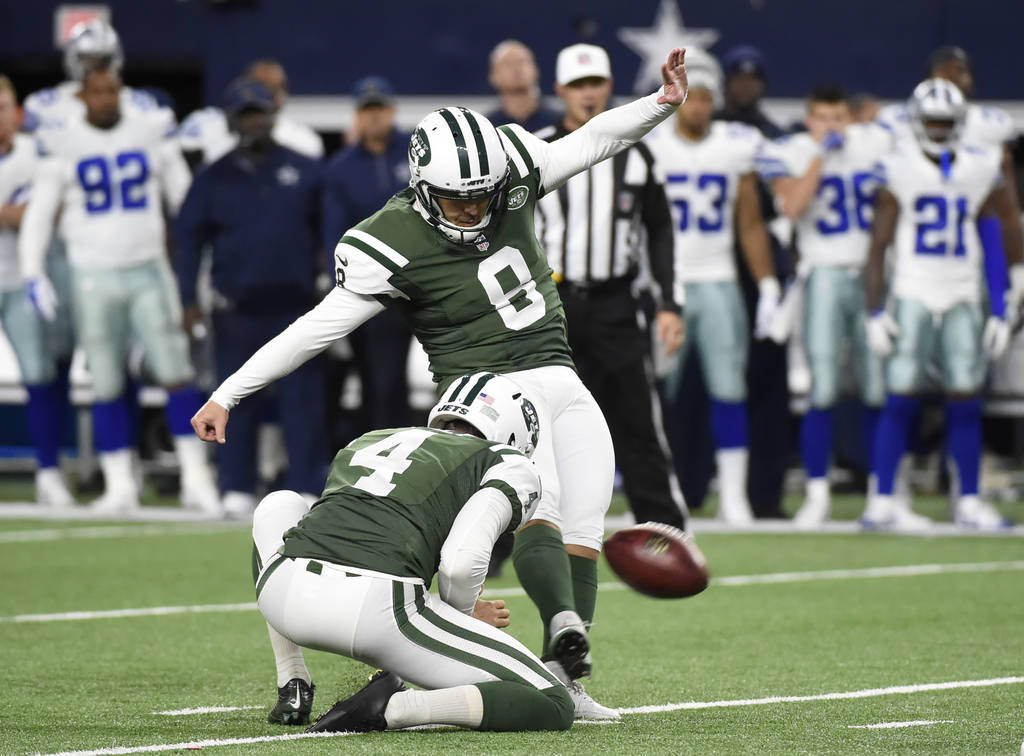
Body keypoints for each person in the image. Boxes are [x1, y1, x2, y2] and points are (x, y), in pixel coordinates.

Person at [192, 47, 691, 721]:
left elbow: (594, 140)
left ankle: (567, 677)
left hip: (556, 367)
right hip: (482, 388)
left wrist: (660, 103)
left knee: (585, 522)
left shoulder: (511, 171)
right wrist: (230, 391)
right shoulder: (390, 239)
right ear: (424, 185)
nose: (473, 209)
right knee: (536, 500)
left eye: (483, 195)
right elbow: (316, 329)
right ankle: (456, 657)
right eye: (458, 198)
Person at [253, 374, 577, 734]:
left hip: (280, 593)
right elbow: (461, 563)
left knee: (280, 503)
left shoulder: (371, 439)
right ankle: (396, 708)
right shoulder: (506, 460)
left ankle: (292, 679)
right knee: (554, 702)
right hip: (374, 609)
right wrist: (461, 623)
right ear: (515, 436)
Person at [18, 66, 218, 513]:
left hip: (149, 269)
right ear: (83, 97)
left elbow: (184, 203)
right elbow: (40, 213)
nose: (107, 99)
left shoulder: (149, 130)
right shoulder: (63, 140)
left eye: (113, 91)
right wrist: (33, 272)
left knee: (176, 371)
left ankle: (196, 478)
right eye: (98, 92)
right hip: (92, 275)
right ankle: (119, 484)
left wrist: (196, 267)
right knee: (106, 380)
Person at [535, 43, 687, 530]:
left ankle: (663, 533)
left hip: (616, 303)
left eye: (595, 83)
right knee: (534, 427)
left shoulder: (637, 155)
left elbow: (660, 230)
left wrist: (669, 302)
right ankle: (500, 543)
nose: (587, 93)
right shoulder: (536, 150)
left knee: (637, 423)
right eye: (577, 84)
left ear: (608, 86)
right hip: (551, 308)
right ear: (559, 90)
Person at [862, 79, 1023, 531]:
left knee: (966, 399)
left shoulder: (980, 166)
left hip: (962, 293)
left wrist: (1002, 304)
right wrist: (874, 310)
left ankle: (968, 500)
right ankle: (882, 500)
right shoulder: (899, 167)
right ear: (916, 121)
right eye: (932, 121)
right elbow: (878, 244)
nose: (938, 129)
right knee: (899, 398)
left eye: (945, 122)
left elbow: (996, 235)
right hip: (912, 291)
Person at [176, 78, 327, 519]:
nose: (253, 123)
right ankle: (236, 486)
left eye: (259, 113)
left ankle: (306, 485)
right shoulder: (212, 177)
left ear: (272, 116)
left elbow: (331, 231)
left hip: (296, 307)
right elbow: (188, 241)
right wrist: (188, 300)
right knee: (233, 399)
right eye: (245, 115)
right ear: (232, 121)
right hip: (236, 310)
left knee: (303, 404)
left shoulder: (305, 169)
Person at [646, 51, 778, 524]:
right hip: (669, 287)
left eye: (706, 98)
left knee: (729, 390)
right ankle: (664, 491)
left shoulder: (734, 145)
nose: (698, 106)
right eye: (692, 98)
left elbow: (751, 224)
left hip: (720, 279)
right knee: (659, 395)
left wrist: (768, 284)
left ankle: (734, 495)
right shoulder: (654, 143)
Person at [757, 85, 891, 526]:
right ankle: (818, 494)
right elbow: (792, 207)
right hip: (823, 275)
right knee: (823, 388)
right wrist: (820, 157)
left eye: (838, 118)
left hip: (871, 275)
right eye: (823, 118)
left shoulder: (873, 143)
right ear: (809, 120)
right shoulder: (794, 150)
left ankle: (884, 492)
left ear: (849, 119)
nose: (832, 126)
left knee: (878, 388)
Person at [322, 77, 413, 437]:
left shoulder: (415, 153)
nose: (374, 116)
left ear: (392, 110)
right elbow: (334, 234)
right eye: (367, 110)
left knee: (436, 375)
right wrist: (340, 288)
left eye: (380, 108)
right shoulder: (341, 167)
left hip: (425, 279)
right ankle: (384, 454)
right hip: (373, 288)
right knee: (378, 382)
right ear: (357, 115)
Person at [0, 76, 75, 506]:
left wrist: (23, 215)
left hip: (21, 279)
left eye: (2, 107)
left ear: (16, 112)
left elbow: (52, 209)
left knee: (40, 376)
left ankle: (49, 471)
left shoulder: (36, 153)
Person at [177, 59, 323, 167]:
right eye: (260, 87)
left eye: (274, 88)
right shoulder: (204, 124)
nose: (268, 94)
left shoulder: (301, 139)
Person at [485, 40, 559, 133]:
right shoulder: (487, 128)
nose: (516, 68)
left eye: (522, 61)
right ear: (493, 76)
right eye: (508, 63)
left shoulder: (559, 122)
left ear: (536, 70)